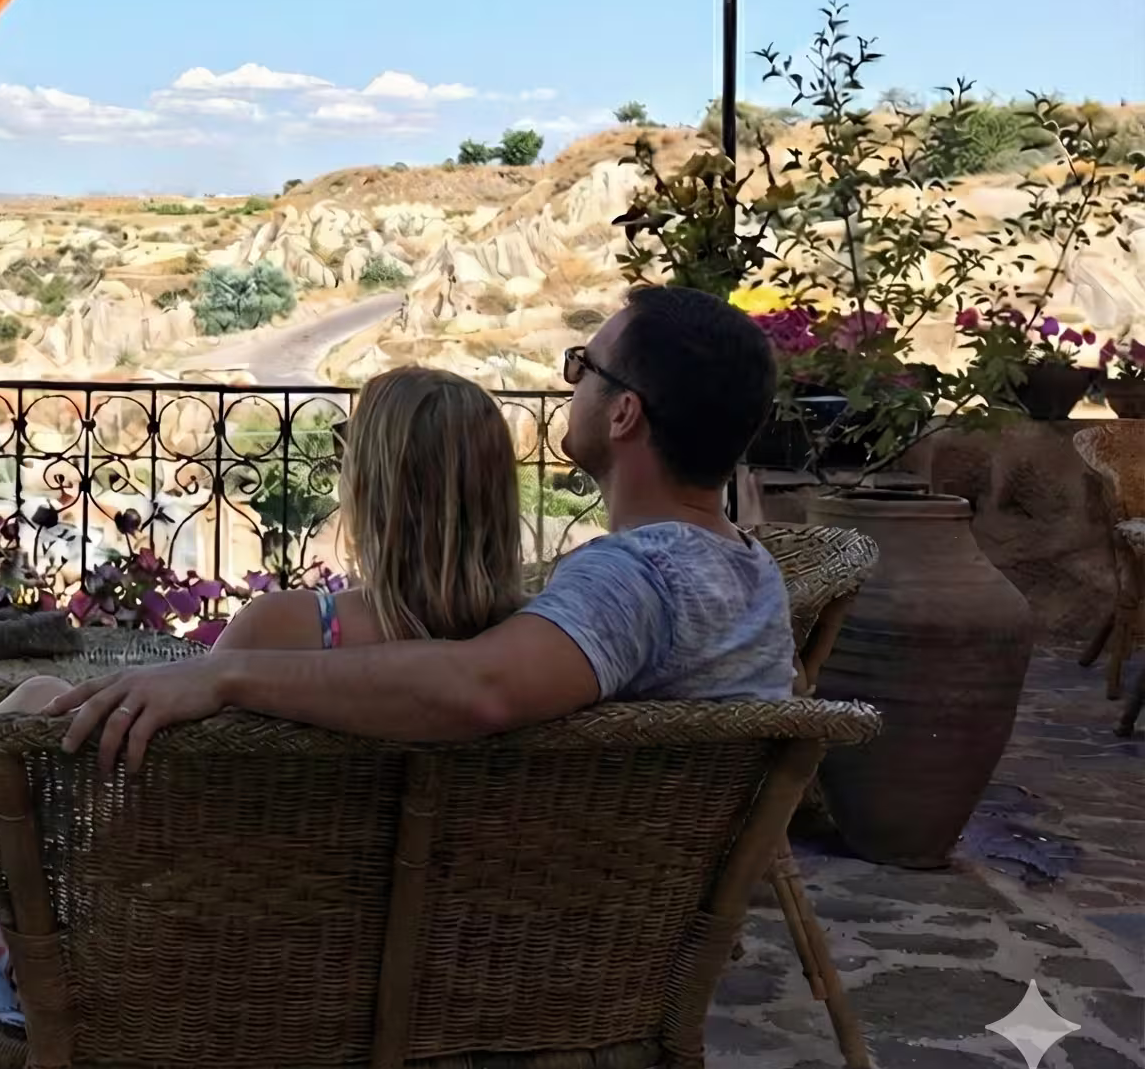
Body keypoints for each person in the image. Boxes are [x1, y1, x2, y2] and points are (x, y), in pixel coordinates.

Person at [0, 362, 540, 1069]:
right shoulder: (534, 656)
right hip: (423, 980)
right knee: (29, 736)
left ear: (374, 490)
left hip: (212, 972)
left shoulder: (292, 631)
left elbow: (183, 809)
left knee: (17, 769)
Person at [51, 283, 795, 766]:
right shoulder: (753, 570)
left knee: (31, 718)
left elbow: (478, 689)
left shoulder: (636, 578)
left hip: (507, 939)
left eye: (582, 368)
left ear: (625, 413)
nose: (570, 386)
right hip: (623, 933)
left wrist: (225, 675)